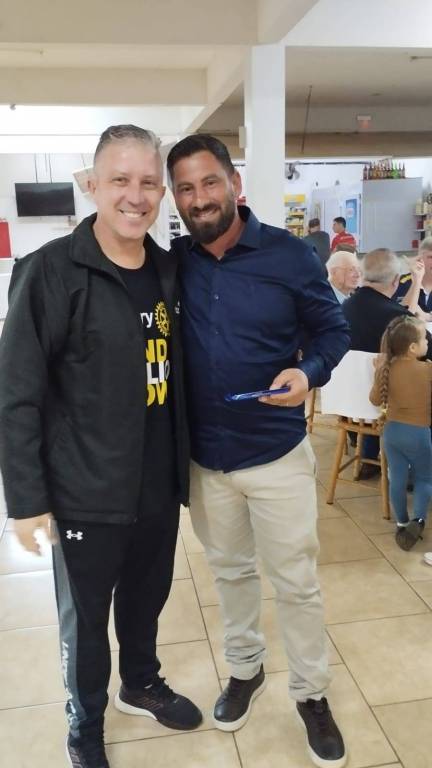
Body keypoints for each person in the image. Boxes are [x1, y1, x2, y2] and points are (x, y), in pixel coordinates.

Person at [0, 125, 202, 768]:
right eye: (120, 180)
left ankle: (139, 683)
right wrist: (26, 499)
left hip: (156, 482)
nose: (135, 196)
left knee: (146, 599)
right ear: (93, 185)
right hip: (85, 488)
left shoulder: (168, 270)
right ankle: (84, 722)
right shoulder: (51, 272)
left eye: (148, 183)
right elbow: (16, 393)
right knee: (86, 622)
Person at [167, 134, 349, 768]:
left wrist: (309, 372)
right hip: (206, 459)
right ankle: (245, 669)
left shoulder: (290, 256)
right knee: (230, 573)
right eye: (185, 189)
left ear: (234, 184)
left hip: (276, 454)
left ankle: (312, 694)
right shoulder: (174, 262)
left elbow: (332, 329)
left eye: (209, 183)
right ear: (176, 198)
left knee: (296, 582)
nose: (199, 198)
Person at [343, 248, 432, 480]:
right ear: (395, 281)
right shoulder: (394, 316)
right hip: (389, 404)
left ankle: (368, 455)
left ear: (363, 275)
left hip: (348, 400)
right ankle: (416, 466)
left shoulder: (344, 308)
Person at [370, 316, 432, 550]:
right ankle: (418, 520)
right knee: (424, 478)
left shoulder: (386, 369)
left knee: (397, 478)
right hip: (418, 434)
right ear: (413, 347)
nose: (427, 342)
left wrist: (376, 371)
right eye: (424, 338)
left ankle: (402, 523)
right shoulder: (427, 369)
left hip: (391, 433)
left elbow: (374, 399)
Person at [393, 237, 432, 319]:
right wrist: (416, 281)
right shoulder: (401, 283)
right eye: (431, 257)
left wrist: (428, 317)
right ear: (420, 258)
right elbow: (399, 315)